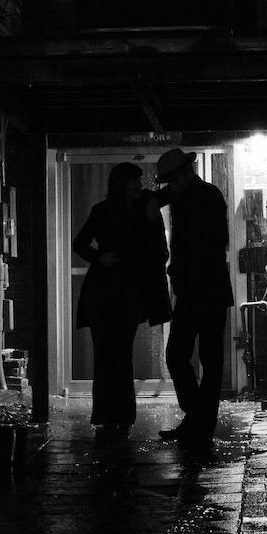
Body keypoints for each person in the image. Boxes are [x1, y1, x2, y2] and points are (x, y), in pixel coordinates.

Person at [73, 162, 170, 443]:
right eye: (134, 182)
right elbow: (80, 243)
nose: (139, 186)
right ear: (122, 184)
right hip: (113, 289)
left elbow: (166, 195)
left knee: (112, 353)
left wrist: (99, 258)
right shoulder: (122, 211)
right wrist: (100, 258)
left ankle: (110, 416)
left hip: (112, 287)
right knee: (112, 353)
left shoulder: (125, 208)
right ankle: (118, 417)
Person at [152, 147, 234, 453]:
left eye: (173, 181)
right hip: (200, 291)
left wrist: (180, 272)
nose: (170, 187)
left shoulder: (206, 197)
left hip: (205, 291)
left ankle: (199, 419)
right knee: (184, 356)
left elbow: (212, 243)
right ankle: (198, 417)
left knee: (202, 360)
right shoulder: (187, 194)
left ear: (185, 174)